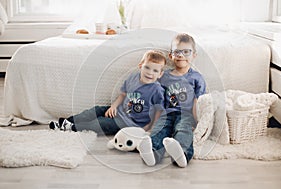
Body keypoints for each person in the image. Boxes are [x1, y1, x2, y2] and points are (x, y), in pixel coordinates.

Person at [49, 50, 166, 135]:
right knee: (95, 110)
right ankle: (67, 121)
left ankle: (72, 128)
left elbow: (158, 110)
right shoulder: (133, 78)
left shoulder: (157, 90)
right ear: (140, 66)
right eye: (147, 68)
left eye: (155, 70)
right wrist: (113, 107)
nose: (150, 73)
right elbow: (123, 95)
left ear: (160, 74)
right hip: (118, 111)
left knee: (99, 123)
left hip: (128, 122)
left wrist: (151, 128)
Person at [138, 33, 206, 168]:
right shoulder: (165, 76)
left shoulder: (196, 77)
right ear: (171, 56)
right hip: (167, 113)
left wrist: (196, 120)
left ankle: (182, 154)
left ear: (194, 55)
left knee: (183, 130)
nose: (181, 55)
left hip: (186, 114)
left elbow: (199, 101)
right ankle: (152, 153)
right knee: (160, 129)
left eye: (186, 52)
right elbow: (156, 94)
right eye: (177, 52)